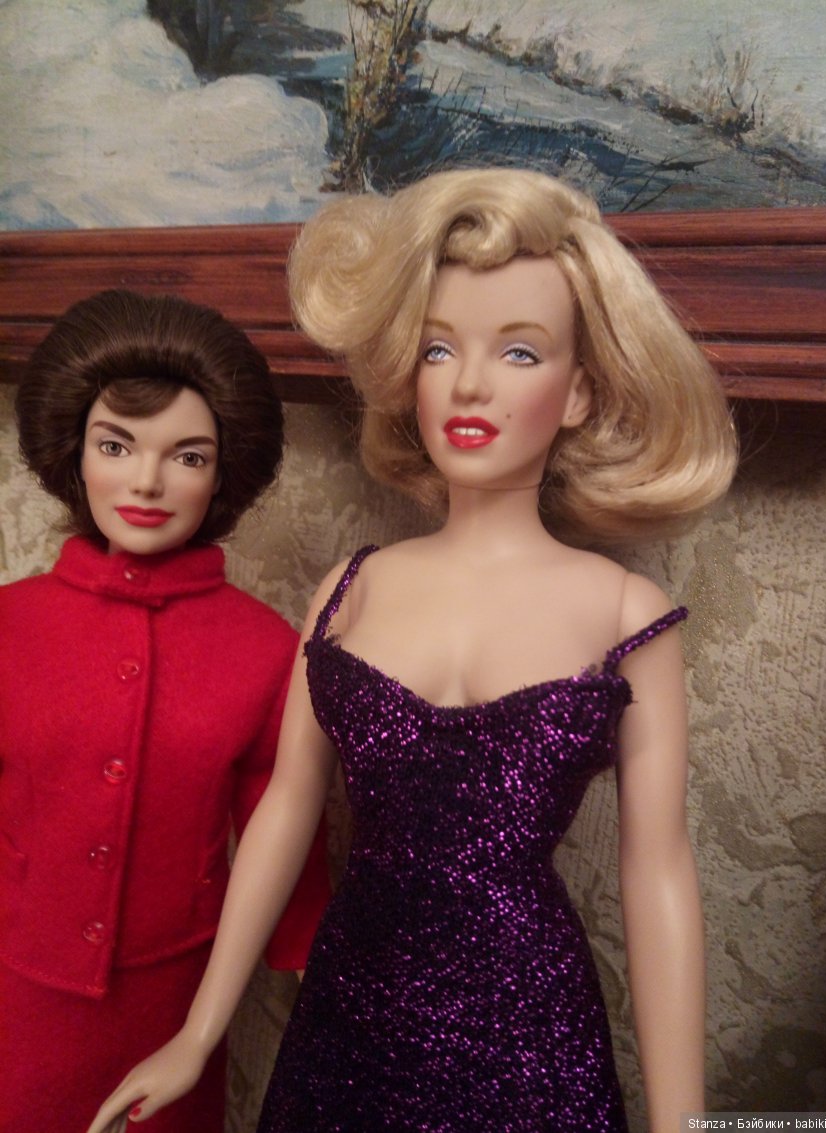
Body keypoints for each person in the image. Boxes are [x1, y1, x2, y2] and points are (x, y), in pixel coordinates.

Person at [86, 169, 737, 1133]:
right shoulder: (352, 589)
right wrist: (198, 1030)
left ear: (577, 393)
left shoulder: (624, 612)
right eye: (439, 348)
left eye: (519, 351)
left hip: (529, 1040)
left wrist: (685, 1123)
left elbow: (659, 873)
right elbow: (286, 809)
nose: (469, 383)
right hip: (348, 1019)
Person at [0, 290, 330, 1133]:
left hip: (174, 1003)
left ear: (223, 473)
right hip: (16, 990)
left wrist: (315, 966)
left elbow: (281, 826)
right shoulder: (10, 625)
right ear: (75, 452)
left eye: (187, 456)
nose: (146, 481)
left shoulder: (266, 650)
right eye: (116, 445)